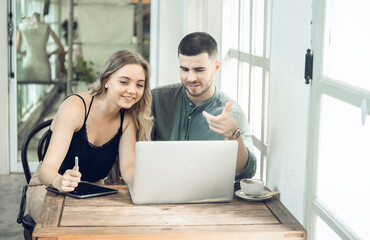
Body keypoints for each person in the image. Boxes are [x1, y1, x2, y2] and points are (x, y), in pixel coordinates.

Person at [26, 50, 153, 220]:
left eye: (139, 84)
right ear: (106, 81)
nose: (132, 90)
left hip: (92, 193)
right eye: (124, 82)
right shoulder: (76, 107)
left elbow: (129, 171)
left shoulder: (127, 120)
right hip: (49, 188)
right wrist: (59, 181)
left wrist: (157, 178)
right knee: (75, 221)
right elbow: (46, 171)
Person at [151, 32, 256, 187]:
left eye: (199, 70)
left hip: (207, 199)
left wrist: (233, 133)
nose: (190, 78)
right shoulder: (156, 99)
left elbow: (245, 173)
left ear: (216, 67)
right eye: (184, 69)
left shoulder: (232, 113)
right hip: (158, 189)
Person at [17, 12, 65, 81]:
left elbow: (17, 50)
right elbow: (61, 48)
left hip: (28, 64)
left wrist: (27, 52)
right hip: (43, 63)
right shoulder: (46, 27)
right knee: (46, 87)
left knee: (26, 85)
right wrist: (49, 53)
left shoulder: (21, 27)